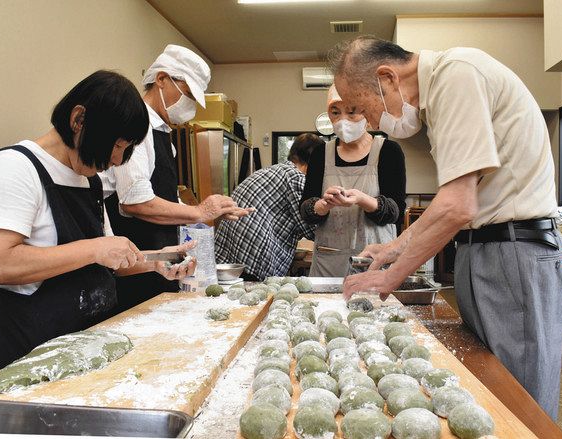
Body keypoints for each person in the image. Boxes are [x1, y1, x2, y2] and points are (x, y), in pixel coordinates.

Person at [333, 36, 562, 419]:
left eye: (362, 107)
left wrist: (390, 278)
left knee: (520, 400)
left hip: (514, 251)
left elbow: (458, 205)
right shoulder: (444, 90)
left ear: (387, 78)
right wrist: (391, 249)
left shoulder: (457, 75)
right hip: (487, 249)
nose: (372, 123)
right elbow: (451, 201)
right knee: (493, 388)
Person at [0, 70, 196, 374]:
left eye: (126, 150)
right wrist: (94, 248)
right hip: (25, 361)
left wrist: (157, 260)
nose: (117, 161)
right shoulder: (14, 168)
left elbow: (106, 260)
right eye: (117, 145)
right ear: (78, 121)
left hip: (86, 350)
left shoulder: (91, 182)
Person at [101, 45, 252, 312]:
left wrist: (209, 212)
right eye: (188, 95)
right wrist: (198, 211)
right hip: (134, 271)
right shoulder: (138, 126)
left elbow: (166, 199)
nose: (190, 105)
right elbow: (134, 202)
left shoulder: (164, 136)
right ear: (161, 79)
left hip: (160, 264)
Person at [299, 85, 406, 277]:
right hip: (328, 263)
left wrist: (361, 199)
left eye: (351, 112)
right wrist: (322, 206)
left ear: (366, 112)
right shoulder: (320, 154)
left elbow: (395, 213)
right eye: (335, 112)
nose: (342, 120)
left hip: (373, 263)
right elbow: (306, 210)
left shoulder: (389, 151)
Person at [215, 133, 323, 280]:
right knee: (255, 296)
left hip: (228, 255)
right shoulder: (296, 177)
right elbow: (311, 227)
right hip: (252, 252)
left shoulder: (273, 170)